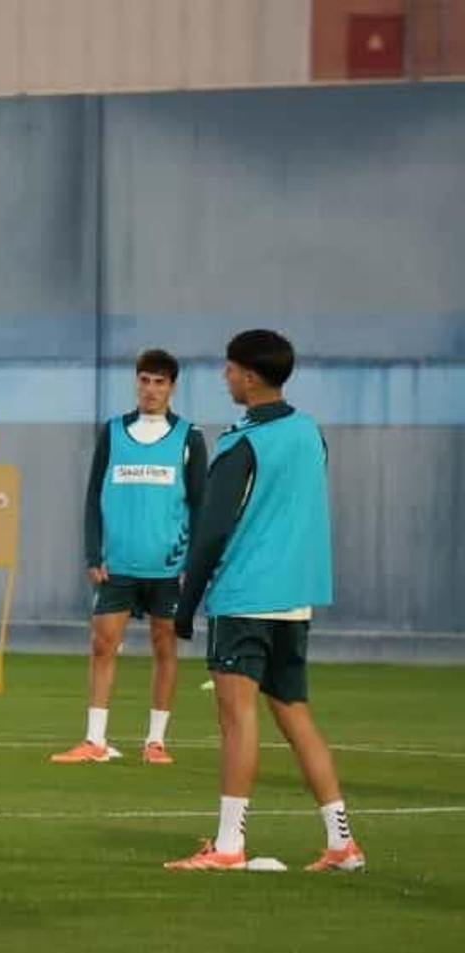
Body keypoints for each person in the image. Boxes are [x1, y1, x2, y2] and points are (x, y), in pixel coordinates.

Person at [166, 329, 361, 871]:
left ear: (249, 376)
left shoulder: (240, 441)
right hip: (295, 598)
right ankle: (341, 842)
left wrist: (184, 609)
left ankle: (228, 847)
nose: (224, 377)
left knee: (236, 719)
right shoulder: (309, 432)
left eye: (229, 370)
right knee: (296, 716)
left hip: (246, 594)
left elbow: (211, 530)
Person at [54, 349, 207, 765]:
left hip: (168, 568)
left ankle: (155, 741)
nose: (151, 389)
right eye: (144, 380)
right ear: (136, 383)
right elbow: (92, 497)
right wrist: (92, 552)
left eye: (159, 382)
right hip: (117, 565)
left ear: (172, 386)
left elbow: (201, 505)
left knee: (165, 648)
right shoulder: (114, 432)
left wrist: (192, 565)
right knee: (102, 645)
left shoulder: (189, 437)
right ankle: (94, 740)